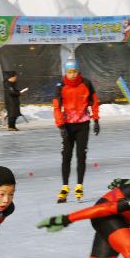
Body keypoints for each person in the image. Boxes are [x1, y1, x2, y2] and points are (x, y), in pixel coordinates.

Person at [53, 58, 100, 203]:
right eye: (69, 72)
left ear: (78, 71)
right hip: (67, 126)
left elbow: (94, 102)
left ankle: (79, 185)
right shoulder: (61, 86)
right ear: (65, 72)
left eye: (74, 71)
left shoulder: (86, 84)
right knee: (66, 156)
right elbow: (56, 107)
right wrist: (61, 125)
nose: (72, 75)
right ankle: (65, 186)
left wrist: (96, 120)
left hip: (82, 125)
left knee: (81, 155)